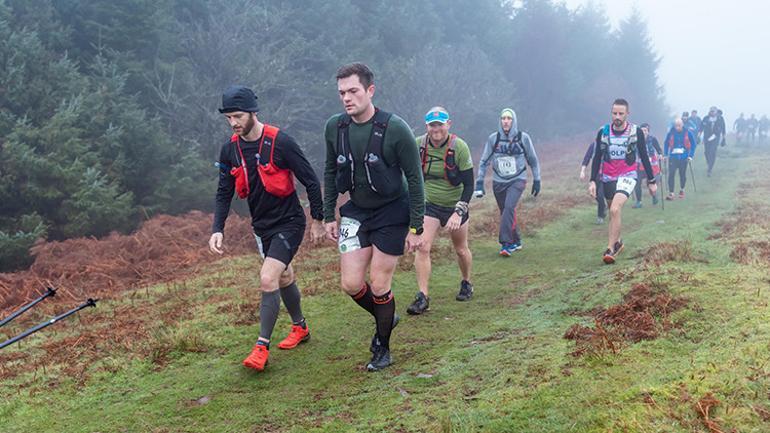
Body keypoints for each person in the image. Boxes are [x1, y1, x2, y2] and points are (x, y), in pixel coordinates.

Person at [209, 85, 326, 372]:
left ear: (252, 112)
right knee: (284, 276)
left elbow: (310, 180)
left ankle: (261, 347)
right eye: (228, 118)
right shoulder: (230, 150)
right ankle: (300, 328)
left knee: (267, 277)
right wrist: (217, 228)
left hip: (290, 222)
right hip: (261, 227)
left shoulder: (281, 142)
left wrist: (319, 220)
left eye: (237, 116)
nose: (233, 123)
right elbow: (224, 192)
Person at [323, 63, 424, 372]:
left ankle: (382, 346)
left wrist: (416, 226)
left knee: (380, 284)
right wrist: (328, 214)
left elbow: (415, 177)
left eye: (353, 91)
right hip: (356, 211)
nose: (346, 98)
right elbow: (329, 170)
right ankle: (386, 317)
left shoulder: (395, 128)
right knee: (351, 283)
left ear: (370, 90)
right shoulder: (335, 127)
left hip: (393, 210)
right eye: (342, 93)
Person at [407, 107, 475, 315]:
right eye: (432, 125)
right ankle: (423, 296)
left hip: (455, 203)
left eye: (440, 124)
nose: (436, 129)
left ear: (448, 124)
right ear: (426, 126)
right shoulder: (417, 144)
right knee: (423, 246)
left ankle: (466, 282)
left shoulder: (459, 147)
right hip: (429, 204)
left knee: (461, 249)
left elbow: (469, 185)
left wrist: (458, 212)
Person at [588, 98, 657, 264]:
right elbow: (597, 157)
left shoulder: (635, 132)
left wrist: (651, 180)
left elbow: (644, 157)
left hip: (628, 175)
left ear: (627, 114)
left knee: (614, 209)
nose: (617, 117)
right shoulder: (603, 132)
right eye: (614, 113)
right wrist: (592, 181)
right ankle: (618, 242)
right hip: (608, 177)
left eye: (621, 113)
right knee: (613, 212)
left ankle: (610, 249)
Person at [475, 108, 541, 256]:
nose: (505, 121)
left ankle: (506, 244)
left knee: (509, 207)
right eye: (503, 118)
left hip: (518, 179)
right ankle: (516, 240)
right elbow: (484, 161)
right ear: (500, 121)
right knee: (505, 211)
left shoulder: (523, 138)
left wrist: (537, 179)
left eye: (509, 118)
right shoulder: (494, 138)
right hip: (498, 181)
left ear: (514, 121)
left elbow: (533, 160)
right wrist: (479, 181)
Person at [663, 118, 697, 200]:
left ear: (682, 125)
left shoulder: (688, 132)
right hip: (673, 157)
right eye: (676, 126)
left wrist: (690, 156)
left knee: (682, 174)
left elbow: (693, 144)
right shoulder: (671, 133)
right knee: (671, 174)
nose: (677, 127)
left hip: (684, 157)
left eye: (679, 125)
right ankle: (671, 193)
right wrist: (665, 154)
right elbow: (666, 143)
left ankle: (682, 189)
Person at [632, 123, 662, 208]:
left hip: (651, 166)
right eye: (642, 130)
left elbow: (659, 149)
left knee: (650, 183)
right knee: (637, 183)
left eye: (645, 130)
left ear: (648, 131)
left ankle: (654, 195)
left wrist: (660, 154)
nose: (644, 132)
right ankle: (639, 202)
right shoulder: (635, 140)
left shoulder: (653, 139)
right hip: (639, 166)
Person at [580, 141, 606, 224]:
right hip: (596, 175)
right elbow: (587, 158)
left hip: (607, 175)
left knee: (601, 195)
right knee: (595, 195)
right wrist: (582, 171)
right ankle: (603, 207)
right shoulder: (593, 145)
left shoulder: (611, 144)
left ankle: (600, 217)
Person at [699, 106, 726, 177]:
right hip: (707, 137)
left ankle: (709, 169)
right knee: (706, 152)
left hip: (715, 137)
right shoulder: (706, 118)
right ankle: (709, 163)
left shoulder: (720, 119)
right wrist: (698, 136)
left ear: (716, 112)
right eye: (711, 111)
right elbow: (701, 128)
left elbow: (723, 129)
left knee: (712, 152)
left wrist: (723, 139)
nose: (712, 112)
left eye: (713, 111)